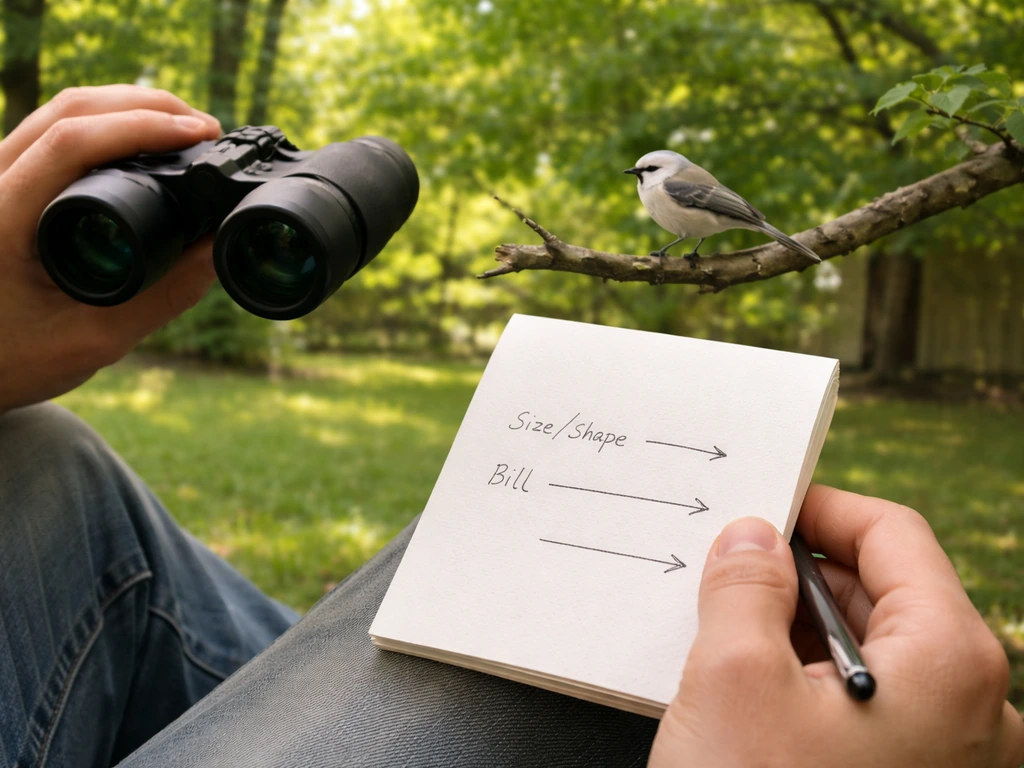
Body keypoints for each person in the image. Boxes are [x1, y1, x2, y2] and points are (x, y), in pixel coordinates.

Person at [0, 85, 1021, 768]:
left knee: (42, 448)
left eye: (645, 174)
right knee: (610, 610)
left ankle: (288, 691)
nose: (644, 185)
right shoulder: (664, 186)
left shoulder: (689, 189)